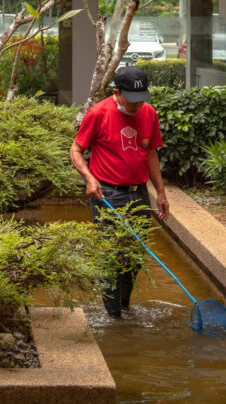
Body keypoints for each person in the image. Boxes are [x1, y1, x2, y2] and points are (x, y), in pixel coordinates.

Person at [69, 65, 169, 318]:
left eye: (141, 100)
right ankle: (114, 319)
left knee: (135, 256)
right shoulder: (98, 113)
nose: (136, 105)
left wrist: (160, 192)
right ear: (117, 92)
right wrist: (89, 179)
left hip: (139, 194)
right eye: (131, 100)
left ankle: (124, 307)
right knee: (112, 255)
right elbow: (76, 150)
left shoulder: (149, 113)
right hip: (108, 194)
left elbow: (151, 154)